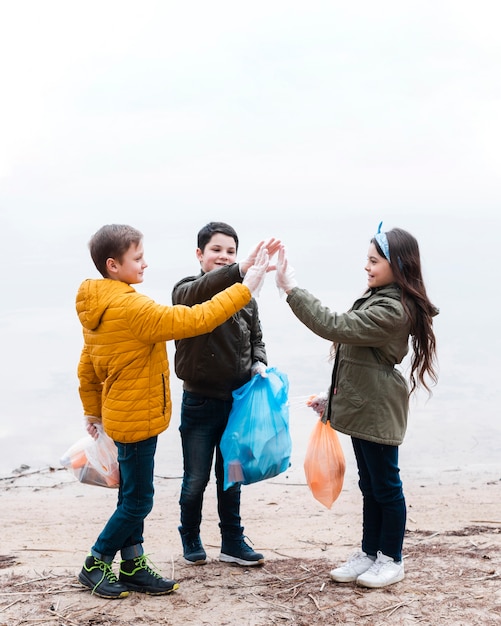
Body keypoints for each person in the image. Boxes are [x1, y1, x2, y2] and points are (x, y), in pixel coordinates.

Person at [76, 224, 269, 599]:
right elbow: (194, 319)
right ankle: (95, 561)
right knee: (138, 500)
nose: (145, 264)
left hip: (122, 413)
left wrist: (93, 412)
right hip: (138, 416)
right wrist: (245, 286)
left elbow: (86, 365)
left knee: (129, 495)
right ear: (114, 265)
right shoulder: (132, 306)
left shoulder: (100, 307)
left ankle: (132, 563)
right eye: (138, 258)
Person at [275, 223, 438, 589]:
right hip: (367, 405)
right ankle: (369, 552)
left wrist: (291, 290)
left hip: (379, 409)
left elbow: (336, 326)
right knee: (370, 484)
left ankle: (391, 558)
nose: (367, 267)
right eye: (366, 259)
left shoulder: (393, 308)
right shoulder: (379, 297)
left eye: (374, 260)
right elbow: (357, 358)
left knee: (386, 486)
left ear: (398, 264)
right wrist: (330, 397)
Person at [172, 222, 280, 567]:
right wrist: (240, 270)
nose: (223, 257)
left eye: (230, 252)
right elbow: (192, 296)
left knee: (232, 476)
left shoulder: (246, 298)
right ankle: (190, 533)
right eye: (216, 250)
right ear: (200, 254)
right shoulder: (186, 290)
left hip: (239, 405)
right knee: (195, 480)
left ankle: (232, 540)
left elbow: (257, 340)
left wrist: (259, 363)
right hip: (200, 403)